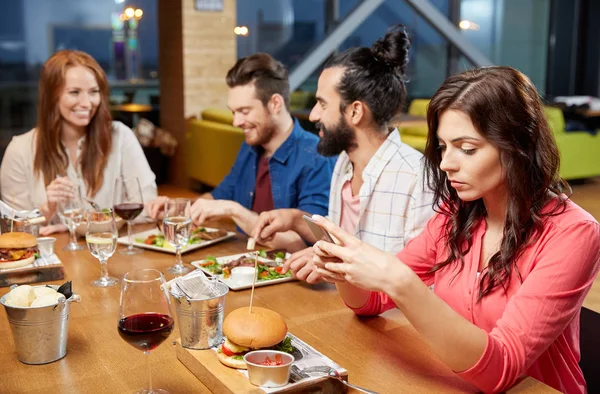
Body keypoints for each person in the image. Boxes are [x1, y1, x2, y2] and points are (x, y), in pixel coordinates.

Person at [308, 66, 600, 393]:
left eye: (467, 148)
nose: (446, 163)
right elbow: (371, 302)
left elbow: (501, 369)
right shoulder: (455, 215)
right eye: (444, 147)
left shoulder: (574, 233)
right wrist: (343, 268)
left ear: (518, 145)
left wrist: (401, 282)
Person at [250, 25, 434, 283]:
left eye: (323, 104)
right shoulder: (344, 163)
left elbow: (421, 281)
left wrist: (337, 268)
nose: (313, 115)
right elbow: (342, 245)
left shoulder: (418, 177)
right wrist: (294, 219)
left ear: (356, 112)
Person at [148, 53, 334, 251]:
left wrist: (234, 210)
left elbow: (304, 244)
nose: (236, 122)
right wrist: (175, 209)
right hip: (242, 264)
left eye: (244, 111)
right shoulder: (250, 147)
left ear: (275, 104)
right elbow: (220, 195)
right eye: (233, 112)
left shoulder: (317, 157)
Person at [0, 50, 157, 235]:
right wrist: (47, 209)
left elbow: (147, 209)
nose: (86, 103)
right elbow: (13, 233)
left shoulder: (120, 136)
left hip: (112, 255)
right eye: (74, 92)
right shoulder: (20, 150)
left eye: (94, 92)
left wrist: (79, 227)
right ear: (52, 97)